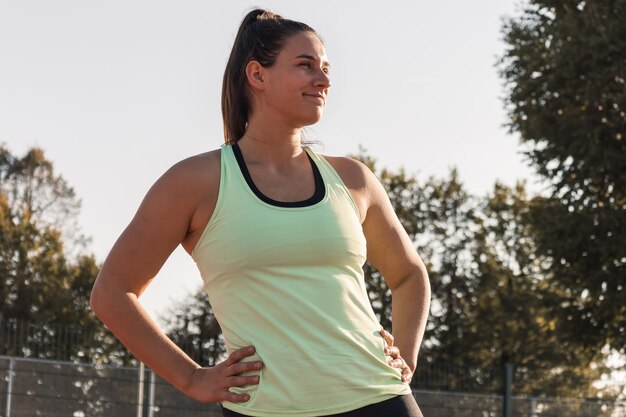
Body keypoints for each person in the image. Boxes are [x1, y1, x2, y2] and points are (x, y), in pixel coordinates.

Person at [90, 8, 430, 417]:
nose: (323, 79)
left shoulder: (353, 179)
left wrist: (405, 357)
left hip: (379, 400)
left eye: (325, 68)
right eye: (306, 66)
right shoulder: (195, 182)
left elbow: (410, 275)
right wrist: (192, 377)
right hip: (263, 409)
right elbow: (112, 294)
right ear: (258, 75)